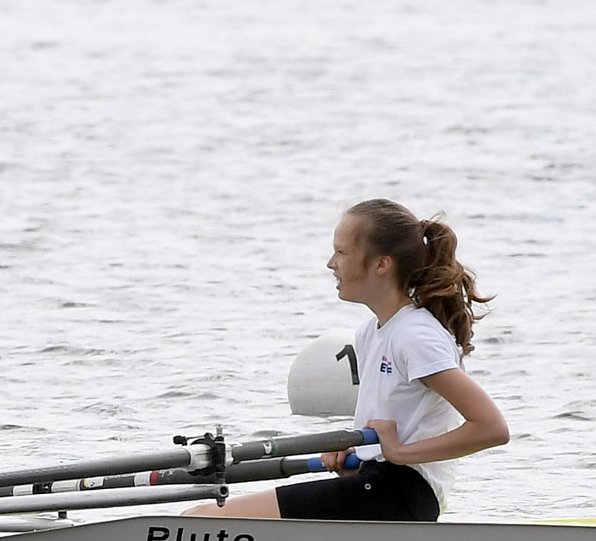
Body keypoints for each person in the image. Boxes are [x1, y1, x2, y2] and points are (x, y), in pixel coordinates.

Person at [194, 200, 508, 524]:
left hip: (402, 493)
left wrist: (397, 453)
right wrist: (356, 457)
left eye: (341, 253)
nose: (331, 263)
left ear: (381, 264)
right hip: (375, 485)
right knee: (202, 515)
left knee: (201, 517)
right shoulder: (370, 333)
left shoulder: (416, 336)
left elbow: (491, 428)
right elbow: (394, 425)